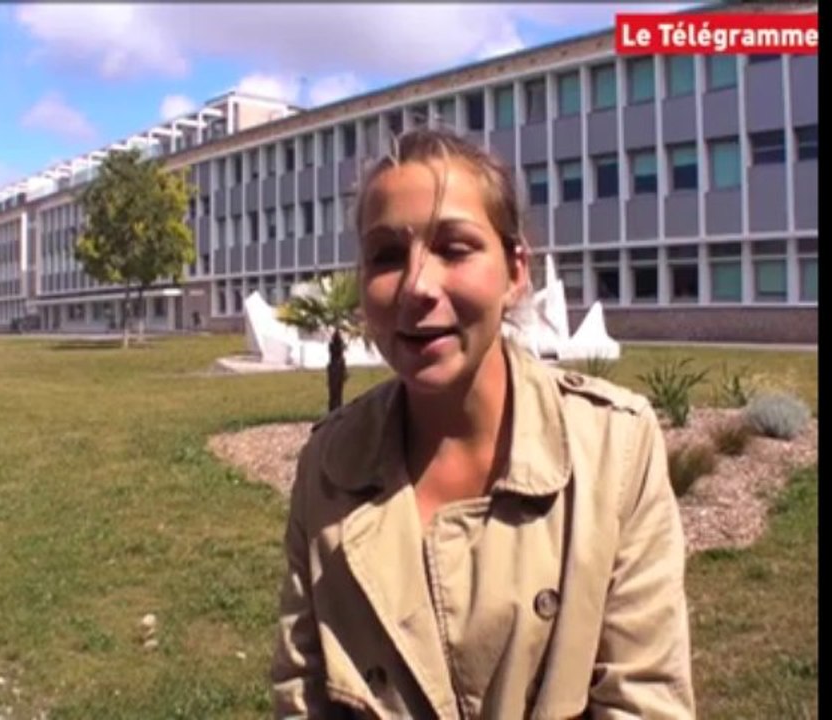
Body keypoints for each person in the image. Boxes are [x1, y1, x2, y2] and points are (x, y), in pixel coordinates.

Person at [271, 129, 694, 719]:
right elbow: (302, 693)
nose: (417, 286)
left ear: (516, 270)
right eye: (388, 255)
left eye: (454, 247)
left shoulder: (614, 448)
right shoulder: (328, 468)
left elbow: (643, 700)